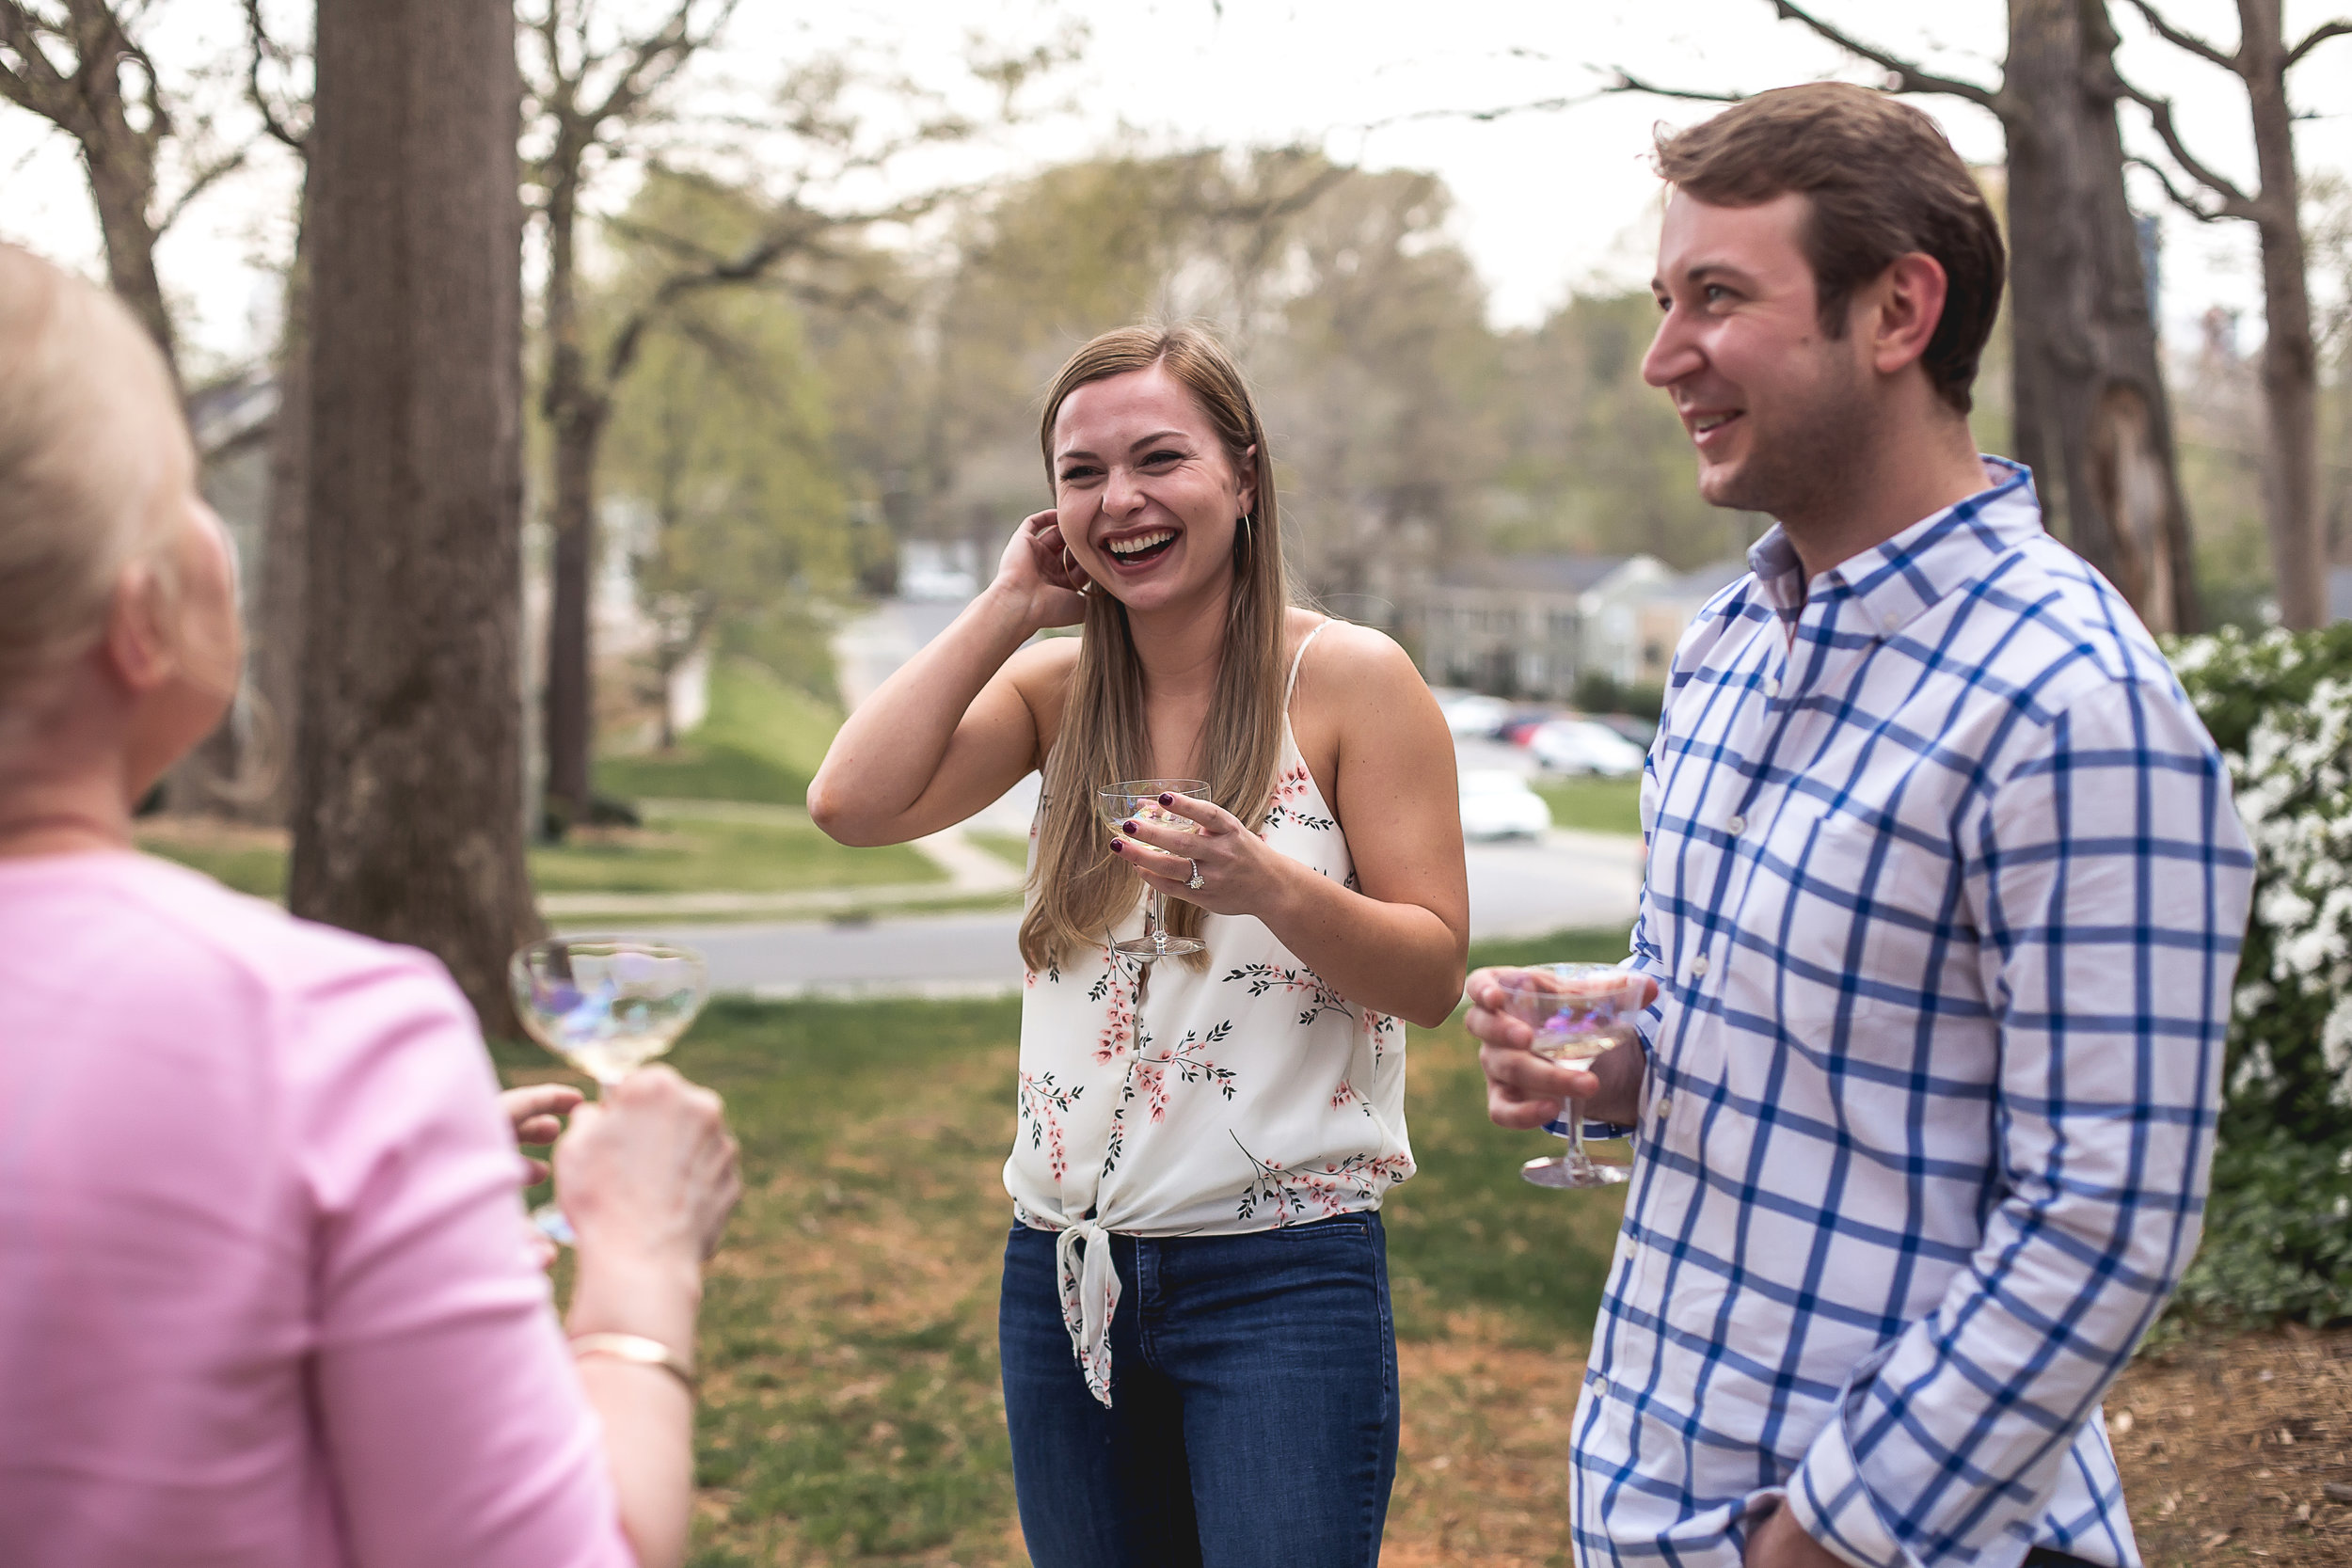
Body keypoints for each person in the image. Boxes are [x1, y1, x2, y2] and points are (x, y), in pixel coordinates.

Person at [1465, 85, 2255, 1568]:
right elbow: (1784, 1059)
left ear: (1898, 311)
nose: (1660, 359)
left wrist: (1822, 1541)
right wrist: (1622, 1071)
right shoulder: (1719, 653)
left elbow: (2108, 1217)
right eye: (1661, 299)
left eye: (1716, 296)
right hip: (1654, 1505)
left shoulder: (2072, 703)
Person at [0, 243, 742, 1568]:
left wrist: (396, 1224)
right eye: (180, 487)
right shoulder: (325, 1043)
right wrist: (641, 1261)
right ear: (136, 621)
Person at [809, 325, 1469, 1566]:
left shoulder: (1349, 681)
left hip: (1281, 1278)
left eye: (1160, 457)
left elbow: (1430, 973)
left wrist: (1265, 882)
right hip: (1063, 1271)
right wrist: (1011, 603)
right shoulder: (1056, 694)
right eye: (1081, 472)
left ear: (1244, 476)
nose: (1122, 500)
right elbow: (851, 802)